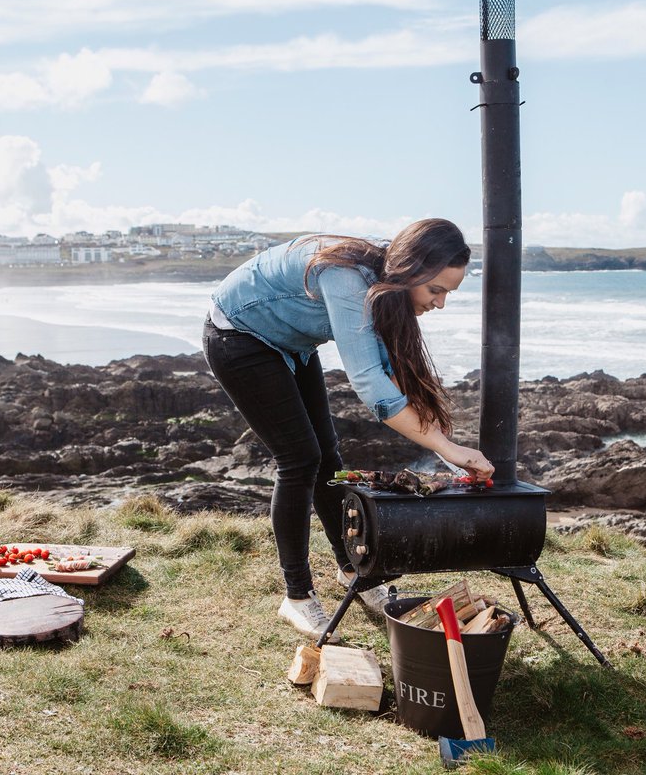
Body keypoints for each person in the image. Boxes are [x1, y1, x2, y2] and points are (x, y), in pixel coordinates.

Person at [202, 218, 494, 641]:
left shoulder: (385, 281)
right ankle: (297, 597)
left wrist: (442, 441)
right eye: (436, 290)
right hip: (239, 338)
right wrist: (447, 448)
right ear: (412, 269)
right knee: (300, 460)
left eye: (448, 292)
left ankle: (354, 572)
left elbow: (391, 371)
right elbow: (369, 382)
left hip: (290, 344)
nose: (441, 304)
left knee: (328, 460)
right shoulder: (347, 279)